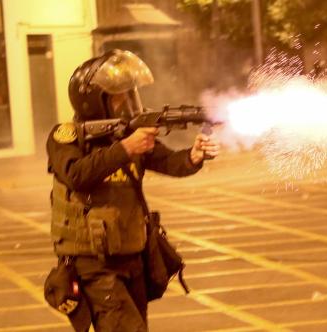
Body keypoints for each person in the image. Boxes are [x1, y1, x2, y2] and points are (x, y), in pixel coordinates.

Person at [45, 49, 220, 331]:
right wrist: (126, 148)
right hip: (94, 263)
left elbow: (169, 162)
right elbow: (76, 174)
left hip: (133, 256)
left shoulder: (130, 135)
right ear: (94, 102)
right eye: (119, 97)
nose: (128, 103)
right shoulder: (66, 137)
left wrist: (194, 156)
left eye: (131, 94)